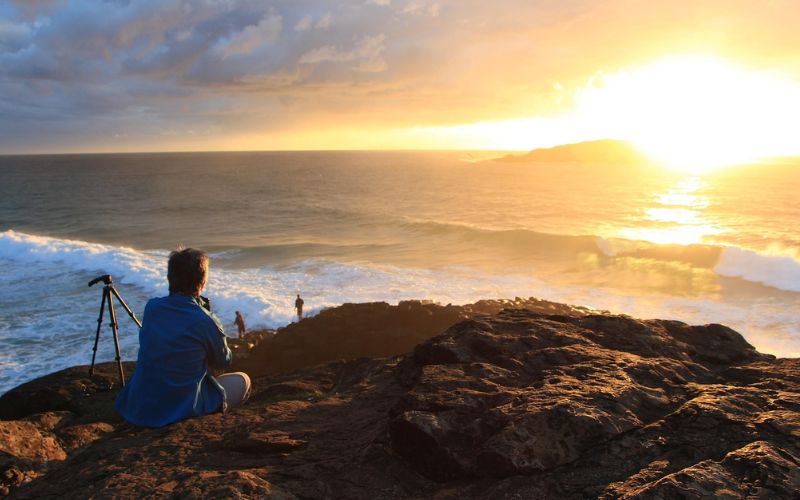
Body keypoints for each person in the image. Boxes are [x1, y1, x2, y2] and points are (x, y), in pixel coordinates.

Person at [115, 248, 251, 427]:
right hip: (180, 410)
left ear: (170, 278)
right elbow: (223, 361)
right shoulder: (204, 319)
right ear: (202, 282)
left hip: (140, 408)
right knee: (243, 380)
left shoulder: (152, 308)